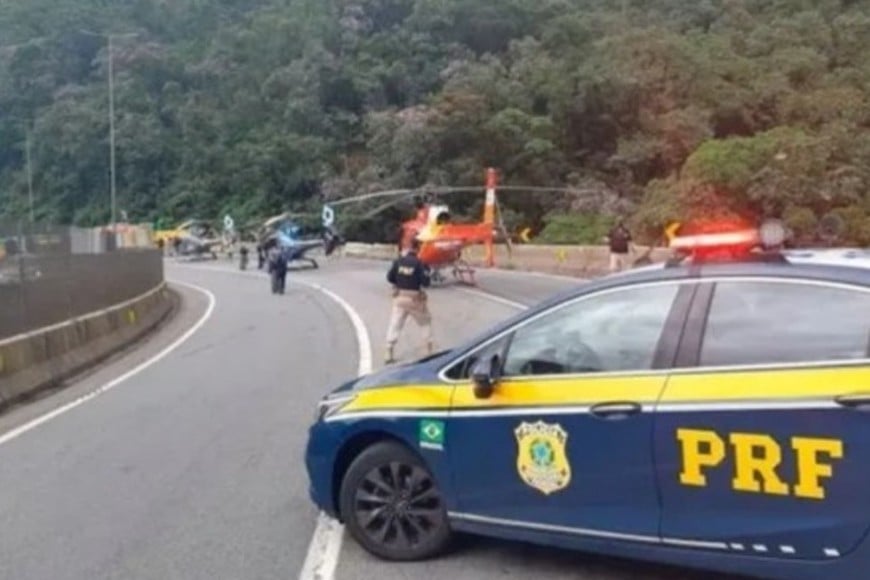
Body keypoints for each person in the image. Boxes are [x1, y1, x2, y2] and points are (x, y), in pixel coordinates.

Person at [385, 238, 433, 364]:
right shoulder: (419, 263)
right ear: (417, 249)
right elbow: (426, 282)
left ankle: (389, 350)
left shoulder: (398, 261)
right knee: (425, 322)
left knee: (395, 324)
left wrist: (399, 282)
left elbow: (390, 277)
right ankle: (428, 351)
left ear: (406, 248)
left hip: (400, 298)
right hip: (415, 298)